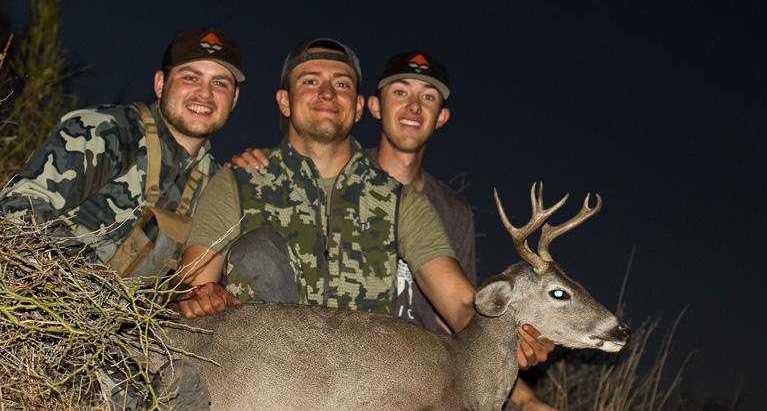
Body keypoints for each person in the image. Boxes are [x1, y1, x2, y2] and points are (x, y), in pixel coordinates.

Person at [228, 48, 556, 409]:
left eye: (427, 97)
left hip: (425, 368)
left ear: (442, 116)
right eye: (400, 93)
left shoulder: (453, 211)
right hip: (343, 359)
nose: (414, 108)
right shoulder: (338, 176)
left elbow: (460, 314)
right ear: (372, 106)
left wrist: (522, 388)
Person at [176, 38, 476, 335]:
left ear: (358, 107)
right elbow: (193, 285)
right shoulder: (237, 183)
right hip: (266, 372)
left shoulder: (400, 201)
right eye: (310, 81)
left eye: (342, 84)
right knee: (258, 252)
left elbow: (459, 302)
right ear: (285, 102)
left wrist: (501, 335)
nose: (327, 93)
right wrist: (200, 297)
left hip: (364, 376)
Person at [0, 27, 244, 278]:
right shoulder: (105, 131)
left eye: (219, 83)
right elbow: (16, 207)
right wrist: (83, 278)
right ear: (160, 84)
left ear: (234, 99)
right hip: (52, 294)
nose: (205, 93)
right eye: (190, 77)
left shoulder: (215, 180)